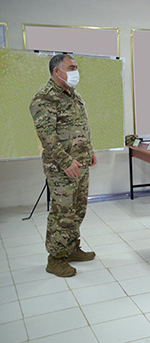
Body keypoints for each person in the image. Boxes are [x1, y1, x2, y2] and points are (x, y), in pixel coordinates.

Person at [30, 54, 97, 277]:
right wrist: (66, 161)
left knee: (78, 209)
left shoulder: (73, 95)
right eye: (71, 67)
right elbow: (47, 137)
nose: (76, 71)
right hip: (61, 167)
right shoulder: (44, 98)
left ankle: (72, 248)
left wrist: (89, 151)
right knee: (62, 212)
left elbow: (82, 127)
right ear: (56, 71)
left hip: (80, 162)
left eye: (76, 67)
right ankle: (56, 258)